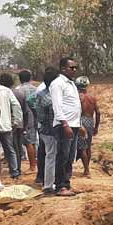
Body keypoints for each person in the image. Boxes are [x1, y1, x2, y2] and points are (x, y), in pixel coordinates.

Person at [50, 57, 82, 196]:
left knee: (70, 157)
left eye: (76, 67)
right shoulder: (58, 84)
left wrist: (78, 124)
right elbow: (57, 106)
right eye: (71, 67)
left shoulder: (71, 84)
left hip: (74, 124)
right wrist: (65, 124)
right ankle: (60, 186)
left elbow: (74, 105)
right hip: (65, 126)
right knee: (62, 156)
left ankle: (67, 183)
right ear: (63, 68)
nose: (74, 70)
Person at [0, 70, 23, 179]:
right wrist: (16, 121)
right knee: (10, 150)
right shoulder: (6, 90)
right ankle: (15, 172)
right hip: (7, 124)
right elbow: (16, 106)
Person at [28, 67, 59, 194]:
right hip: (51, 130)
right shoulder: (51, 97)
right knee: (52, 156)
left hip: (43, 128)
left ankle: (49, 182)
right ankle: (50, 185)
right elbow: (54, 115)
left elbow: (29, 100)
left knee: (48, 155)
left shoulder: (40, 93)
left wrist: (37, 113)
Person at [0, 73, 27, 176]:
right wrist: (24, 125)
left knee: (10, 148)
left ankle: (14, 170)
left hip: (10, 124)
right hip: (20, 123)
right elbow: (25, 111)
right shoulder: (20, 93)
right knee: (18, 147)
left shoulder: (4, 94)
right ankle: (18, 168)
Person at [75, 76, 100, 177]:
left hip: (81, 121)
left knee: (82, 147)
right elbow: (98, 113)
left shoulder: (78, 97)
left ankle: (86, 170)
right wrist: (96, 127)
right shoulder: (92, 98)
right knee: (88, 146)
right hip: (90, 121)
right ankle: (87, 168)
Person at [16, 70, 38, 172]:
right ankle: (35, 162)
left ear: (20, 79)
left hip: (24, 119)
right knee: (33, 141)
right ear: (30, 78)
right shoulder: (36, 89)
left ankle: (32, 166)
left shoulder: (18, 90)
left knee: (28, 142)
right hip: (35, 117)